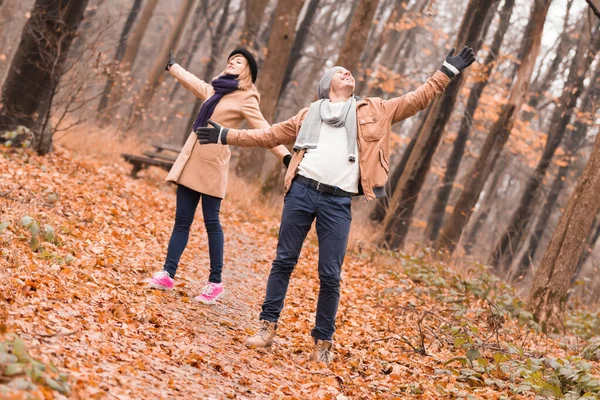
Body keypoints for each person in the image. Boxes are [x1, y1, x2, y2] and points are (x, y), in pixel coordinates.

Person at [196, 46, 475, 362]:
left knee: (330, 273)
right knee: (284, 261)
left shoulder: (375, 110)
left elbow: (418, 99)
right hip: (301, 191)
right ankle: (267, 326)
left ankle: (322, 343)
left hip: (338, 202)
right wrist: (226, 135)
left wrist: (447, 72)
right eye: (340, 70)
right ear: (327, 82)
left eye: (349, 71)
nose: (348, 72)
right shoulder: (308, 114)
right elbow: (269, 135)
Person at [145, 49, 291, 304]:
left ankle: (215, 282)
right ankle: (168, 273)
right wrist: (173, 67)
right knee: (182, 221)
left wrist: (286, 157)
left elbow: (266, 131)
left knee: (212, 222)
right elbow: (195, 83)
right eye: (230, 59)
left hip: (213, 165)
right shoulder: (216, 90)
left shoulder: (247, 98)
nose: (232, 62)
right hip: (191, 161)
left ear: (247, 71)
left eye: (239, 61)